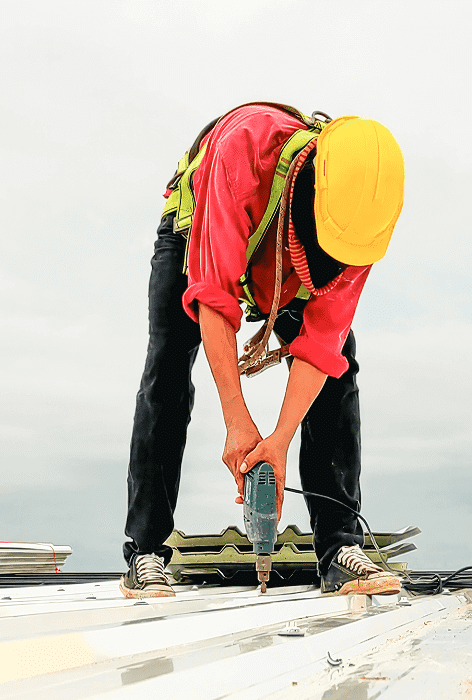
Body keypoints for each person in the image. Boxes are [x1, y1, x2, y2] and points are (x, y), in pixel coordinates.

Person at [120, 102, 406, 598]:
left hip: (289, 267)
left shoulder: (364, 224)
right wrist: (238, 420)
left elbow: (322, 346)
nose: (340, 261)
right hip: (196, 234)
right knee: (167, 365)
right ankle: (146, 551)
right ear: (312, 186)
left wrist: (277, 439)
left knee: (340, 374)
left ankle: (339, 547)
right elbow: (213, 299)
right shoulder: (244, 151)